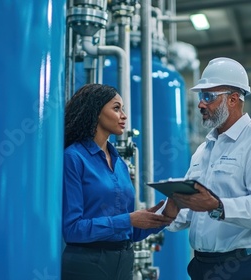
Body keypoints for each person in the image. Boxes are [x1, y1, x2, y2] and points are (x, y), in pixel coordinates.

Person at [162, 57, 251, 280]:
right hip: (202, 267)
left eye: (208, 97)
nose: (201, 104)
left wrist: (218, 206)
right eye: (201, 96)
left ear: (232, 99)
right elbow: (194, 207)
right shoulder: (204, 150)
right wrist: (168, 213)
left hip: (246, 268)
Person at [62, 84, 173, 280]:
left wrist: (161, 217)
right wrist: (129, 219)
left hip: (123, 262)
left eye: (123, 109)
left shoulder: (120, 163)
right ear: (96, 112)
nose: (124, 116)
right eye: (116, 108)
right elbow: (72, 230)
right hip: (87, 264)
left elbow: (130, 232)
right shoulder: (74, 158)